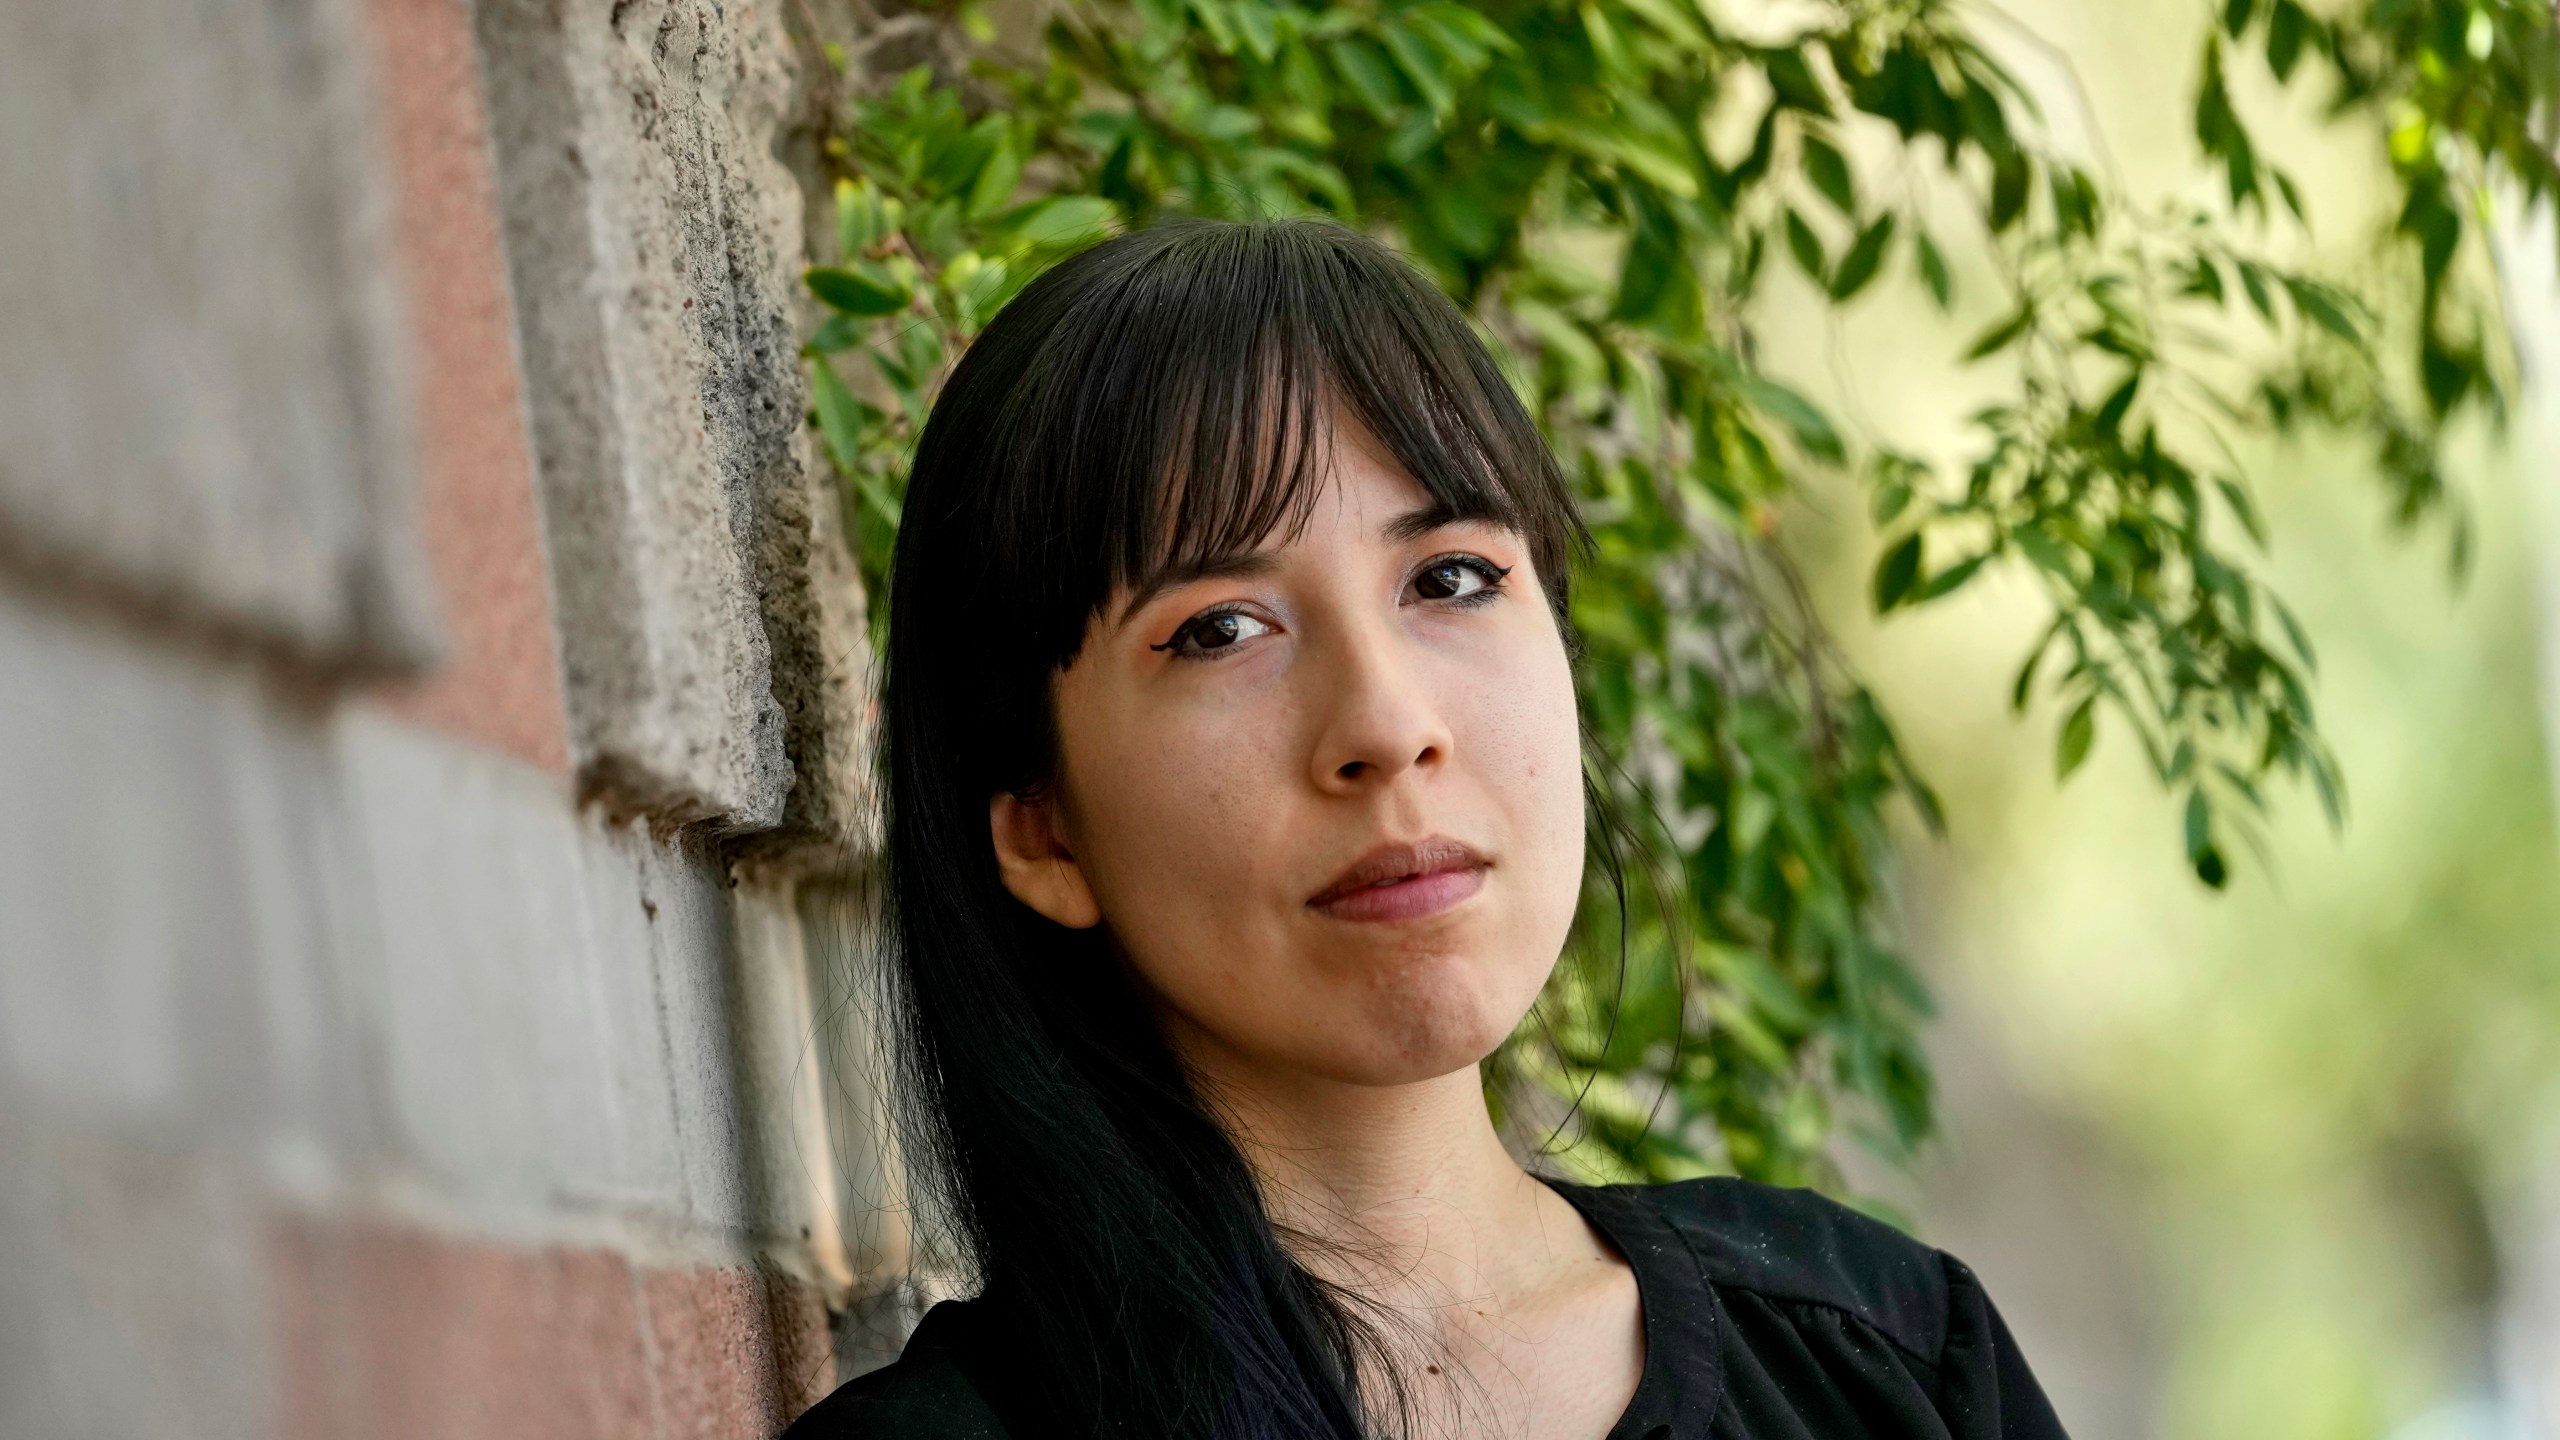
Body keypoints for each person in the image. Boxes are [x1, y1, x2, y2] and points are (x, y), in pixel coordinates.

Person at [782, 217, 2069, 1440]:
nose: (1388, 726)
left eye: (1450, 578)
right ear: (1039, 831)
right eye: (1220, 627)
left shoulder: (1885, 1361)